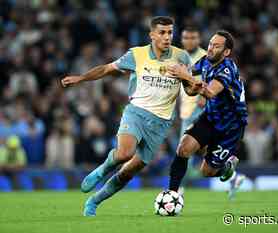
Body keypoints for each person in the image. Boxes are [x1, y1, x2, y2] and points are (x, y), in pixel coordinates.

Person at [61, 16, 201, 216]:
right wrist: (81, 78)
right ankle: (101, 170)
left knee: (128, 172)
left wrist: (184, 76)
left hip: (161, 123)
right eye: (162, 32)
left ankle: (94, 201)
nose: (167, 37)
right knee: (125, 153)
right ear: (152, 34)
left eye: (170, 32)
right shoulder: (136, 55)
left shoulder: (182, 58)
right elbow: (106, 69)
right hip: (136, 113)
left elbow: (191, 91)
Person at [166, 30, 248, 195]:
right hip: (210, 117)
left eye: (216, 46)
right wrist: (182, 77)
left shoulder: (227, 68)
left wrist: (186, 76)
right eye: (210, 44)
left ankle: (226, 166)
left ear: (226, 52)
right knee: (183, 148)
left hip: (231, 126)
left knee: (206, 171)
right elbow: (191, 90)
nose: (210, 48)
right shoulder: (204, 62)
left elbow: (210, 92)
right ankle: (171, 193)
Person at [178, 27, 207, 187]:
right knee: (200, 147)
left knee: (184, 147)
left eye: (193, 37)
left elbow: (214, 77)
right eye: (186, 38)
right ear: (182, 39)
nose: (190, 41)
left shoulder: (205, 56)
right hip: (185, 110)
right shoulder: (180, 56)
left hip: (199, 108)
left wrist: (203, 96)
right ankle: (231, 173)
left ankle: (180, 186)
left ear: (199, 39)